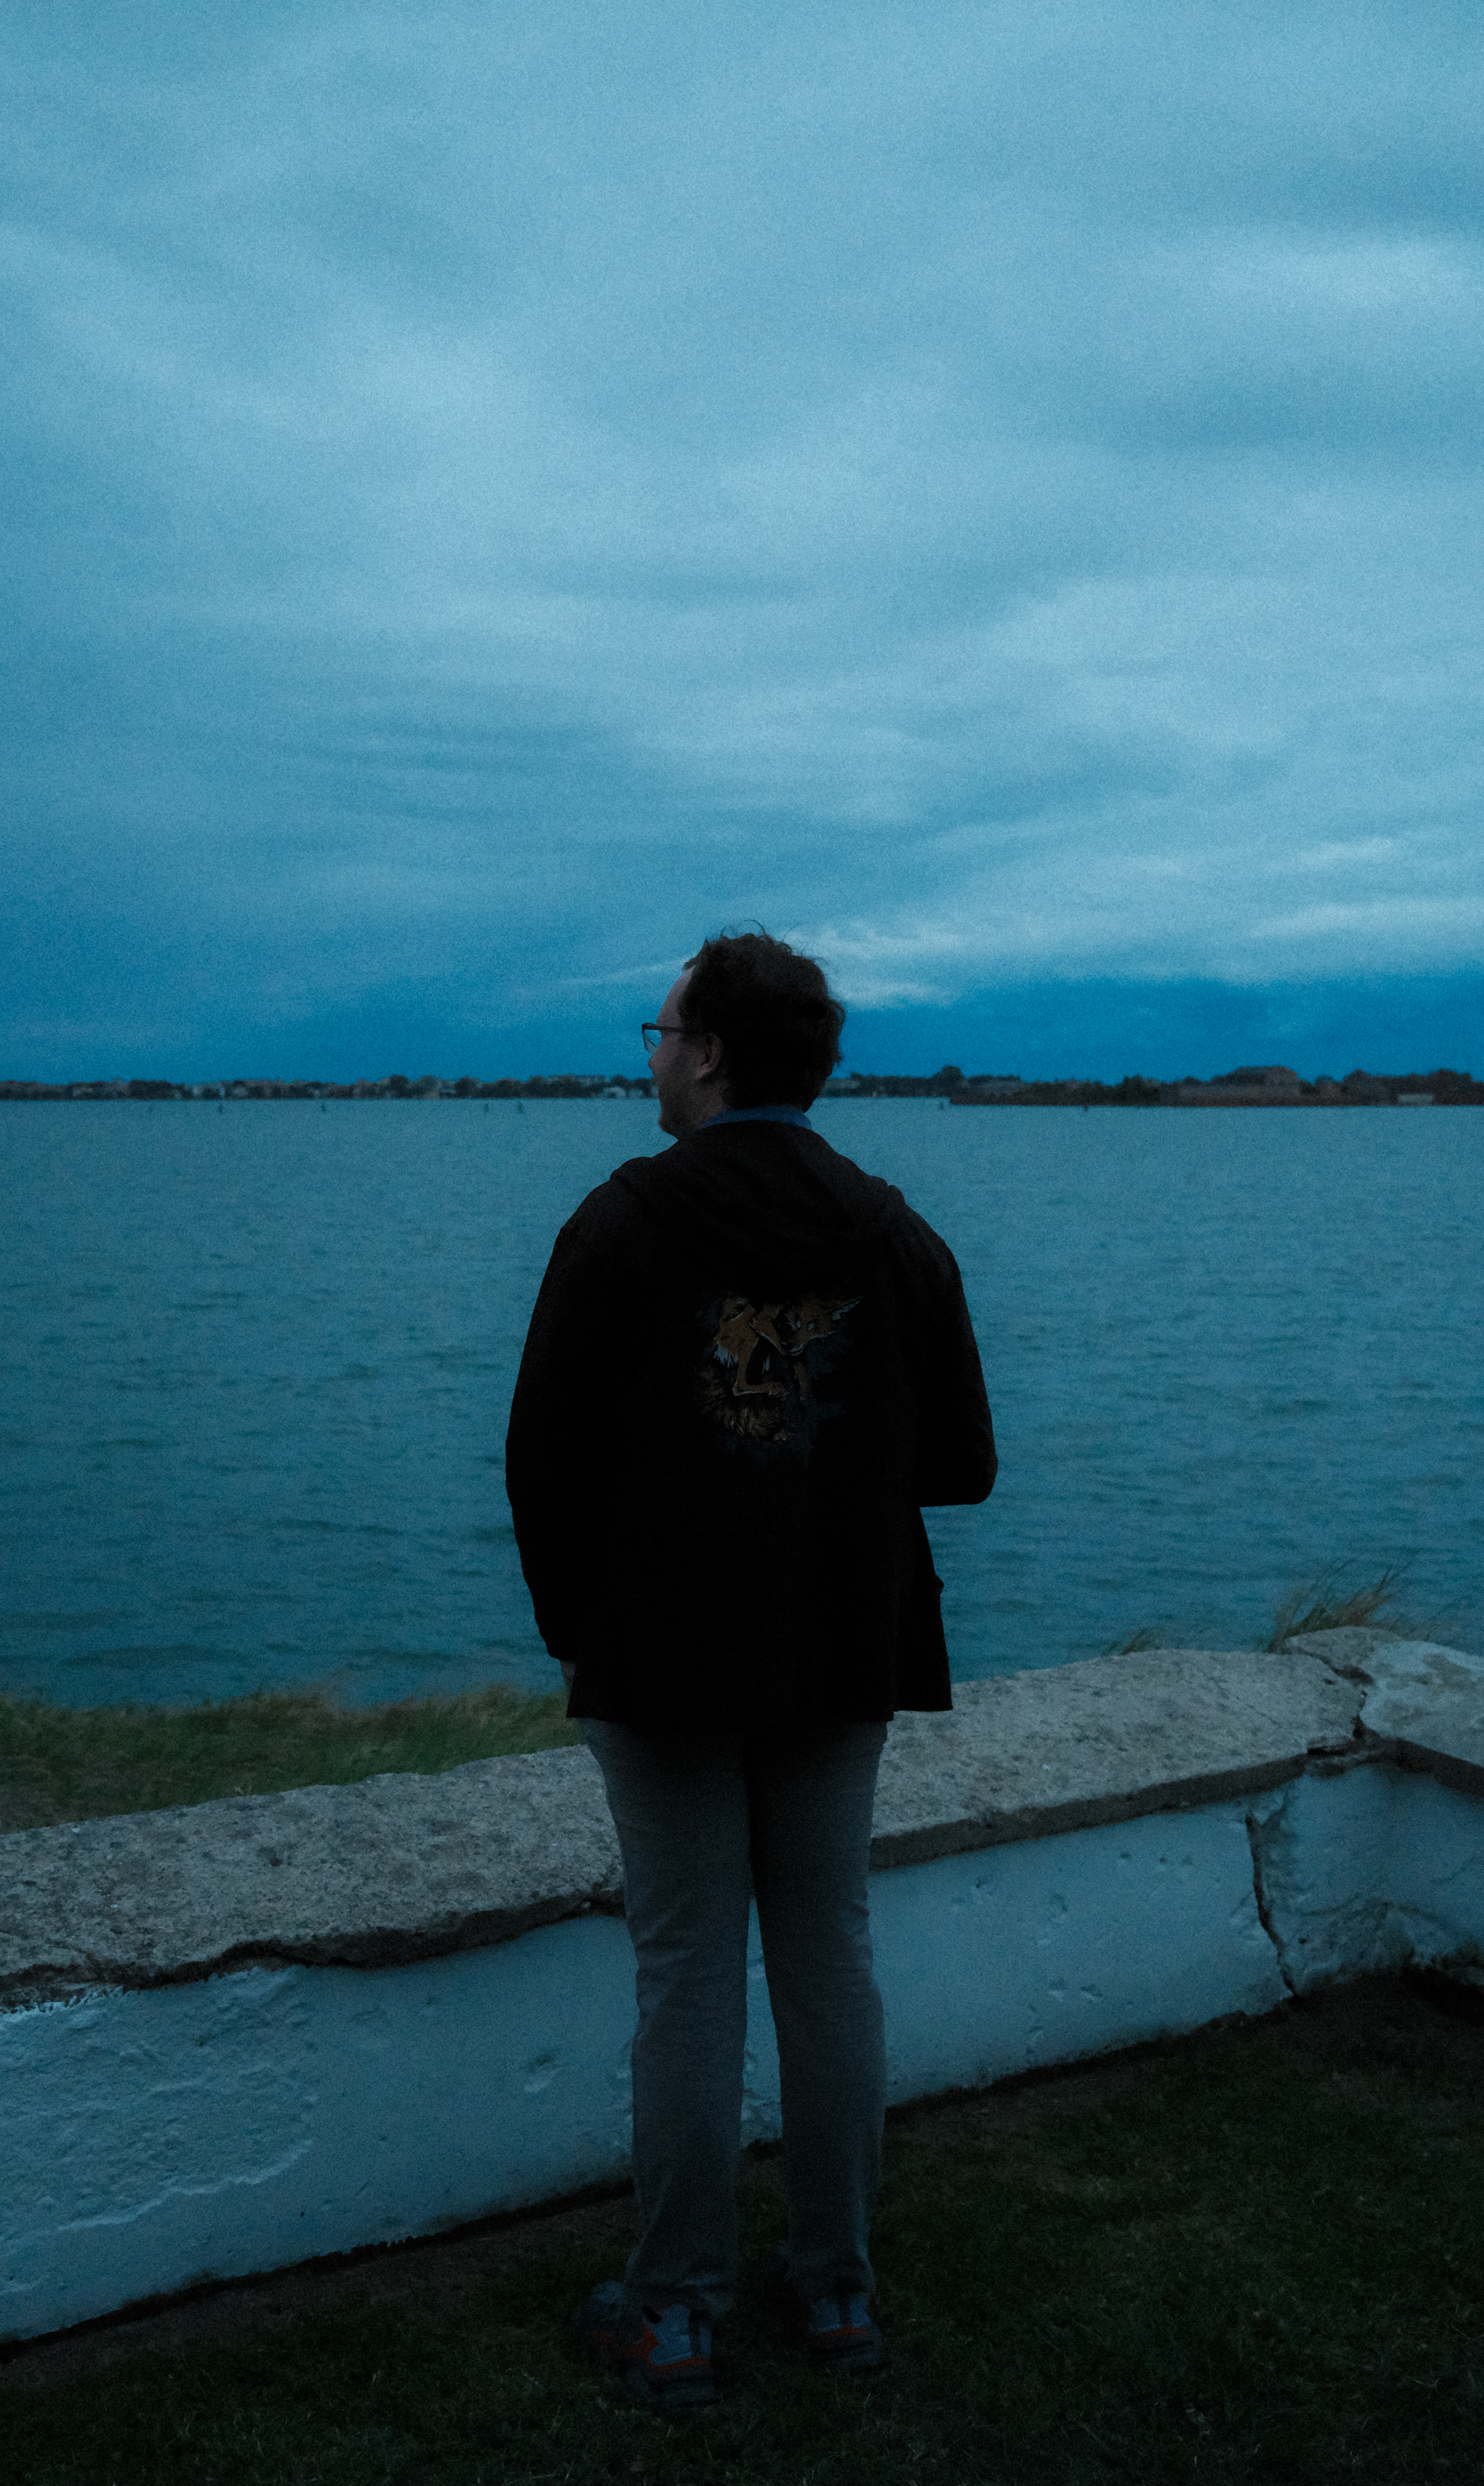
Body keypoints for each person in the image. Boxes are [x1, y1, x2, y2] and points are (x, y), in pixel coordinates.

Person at [505, 930, 996, 2406]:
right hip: (844, 1643)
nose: (648, 1055)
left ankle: (674, 2311)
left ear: (711, 1052)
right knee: (829, 1959)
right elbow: (963, 1465)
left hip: (659, 1658)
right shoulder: (891, 1226)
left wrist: (581, 1626)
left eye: (659, 1032)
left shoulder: (624, 1222)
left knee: (688, 1973)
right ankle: (837, 2291)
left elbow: (543, 1463)